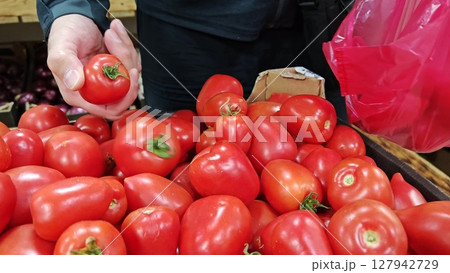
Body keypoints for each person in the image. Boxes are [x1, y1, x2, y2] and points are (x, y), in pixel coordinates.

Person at [37, 0, 351, 120]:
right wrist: (72, 8)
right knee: (180, 167)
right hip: (185, 33)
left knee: (328, 145)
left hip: (332, 24)